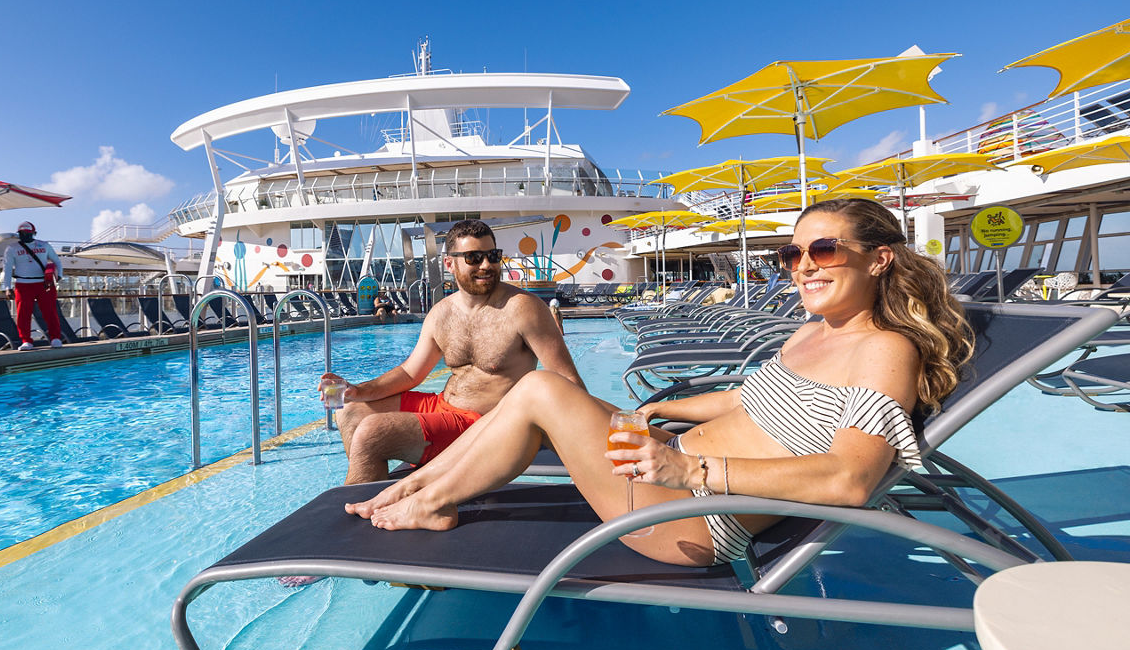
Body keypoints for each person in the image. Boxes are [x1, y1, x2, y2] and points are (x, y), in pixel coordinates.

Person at [348, 199, 973, 568]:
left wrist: (687, 472)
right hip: (663, 476)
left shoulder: (884, 349)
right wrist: (666, 406)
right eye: (793, 255)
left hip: (691, 519)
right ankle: (421, 490)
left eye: (826, 251)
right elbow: (743, 399)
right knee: (536, 394)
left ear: (880, 258)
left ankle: (423, 497)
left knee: (538, 390)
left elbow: (850, 478)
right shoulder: (811, 334)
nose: (804, 267)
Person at [324, 219, 584, 485]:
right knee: (348, 410)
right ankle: (380, 495)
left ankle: (365, 510)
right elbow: (410, 372)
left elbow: (568, 382)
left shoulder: (522, 309)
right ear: (450, 264)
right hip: (444, 406)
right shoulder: (442, 313)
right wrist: (359, 390)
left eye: (492, 256)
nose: (486, 265)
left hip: (484, 423)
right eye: (473, 258)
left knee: (372, 433)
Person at [1, 221, 64, 350]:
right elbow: (7, 268)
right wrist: (7, 287)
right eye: (22, 233)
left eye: (28, 233)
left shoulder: (44, 245)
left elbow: (56, 260)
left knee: (50, 312)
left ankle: (55, 338)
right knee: (23, 314)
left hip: (44, 284)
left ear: (34, 234)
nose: (25, 236)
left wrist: (59, 276)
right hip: (23, 284)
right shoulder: (12, 248)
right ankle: (26, 340)